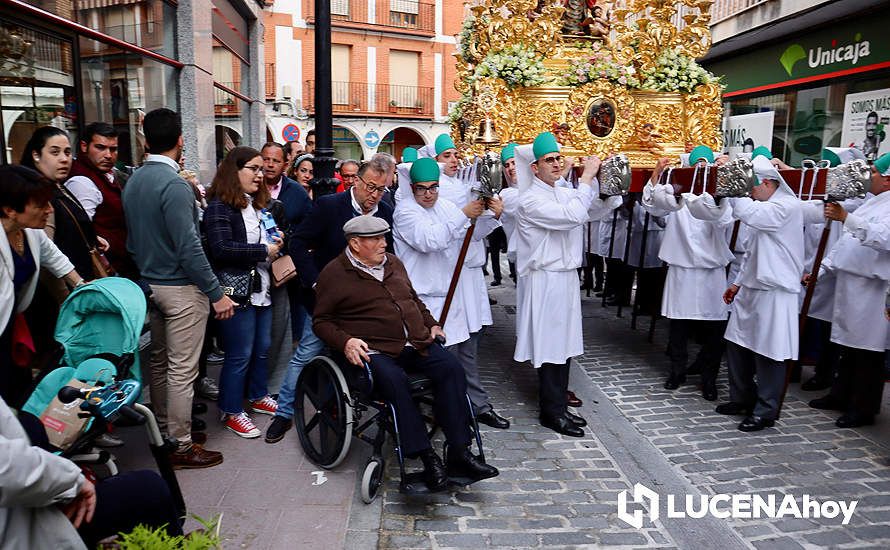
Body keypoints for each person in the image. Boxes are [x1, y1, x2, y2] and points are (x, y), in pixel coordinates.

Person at [313, 216, 499, 491]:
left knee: (451, 368)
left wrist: (431, 324)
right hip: (374, 350)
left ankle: (460, 451)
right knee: (395, 382)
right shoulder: (335, 273)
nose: (383, 243)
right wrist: (347, 342)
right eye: (375, 239)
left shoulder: (393, 263)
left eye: (383, 237)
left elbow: (413, 299)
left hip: (414, 342)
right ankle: (426, 457)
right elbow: (321, 322)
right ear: (354, 244)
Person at [123, 108, 233, 468]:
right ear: (181, 140)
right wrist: (216, 292)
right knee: (182, 371)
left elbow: (134, 241)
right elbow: (189, 247)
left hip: (150, 284)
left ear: (144, 139)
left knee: (158, 363)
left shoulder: (135, 180)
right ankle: (181, 446)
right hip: (180, 288)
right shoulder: (174, 184)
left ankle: (166, 433)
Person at [265, 155, 395, 443]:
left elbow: (390, 255)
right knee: (307, 353)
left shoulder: (385, 210)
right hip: (325, 301)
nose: (374, 195)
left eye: (381, 189)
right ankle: (284, 414)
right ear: (357, 180)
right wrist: (314, 282)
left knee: (363, 356)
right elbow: (298, 243)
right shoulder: (329, 206)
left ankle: (345, 409)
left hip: (363, 305)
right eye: (370, 187)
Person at [513, 132, 620, 436]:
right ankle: (551, 411)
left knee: (564, 345)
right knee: (550, 346)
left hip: (564, 276)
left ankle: (559, 403)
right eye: (550, 160)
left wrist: (605, 185)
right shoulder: (530, 199)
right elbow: (573, 215)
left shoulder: (560, 191)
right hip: (545, 278)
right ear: (535, 167)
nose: (557, 163)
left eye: (559, 158)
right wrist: (586, 177)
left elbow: (591, 210)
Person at [393, 158, 510, 430]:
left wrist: (491, 215)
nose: (428, 193)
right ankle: (438, 418)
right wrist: (464, 214)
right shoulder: (405, 212)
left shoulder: (444, 206)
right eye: (422, 188)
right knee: (435, 366)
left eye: (433, 187)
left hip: (451, 296)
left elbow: (470, 234)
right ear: (412, 188)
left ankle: (466, 411)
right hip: (423, 303)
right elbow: (429, 240)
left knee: (459, 360)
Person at [0, 395, 183, 549]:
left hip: (25, 499)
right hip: (21, 522)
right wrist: (72, 481)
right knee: (148, 488)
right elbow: (7, 467)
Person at [715, 155, 804, 432]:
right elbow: (752, 253)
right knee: (737, 345)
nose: (751, 192)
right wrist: (738, 283)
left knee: (769, 353)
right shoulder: (767, 205)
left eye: (752, 186)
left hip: (775, 292)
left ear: (767, 182)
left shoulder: (786, 207)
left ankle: (766, 410)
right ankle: (741, 398)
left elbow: (749, 213)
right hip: (752, 288)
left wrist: (733, 185)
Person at [204, 146, 283, 437]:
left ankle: (258, 395)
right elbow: (221, 248)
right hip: (235, 291)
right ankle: (231, 409)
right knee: (239, 354)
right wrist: (263, 249)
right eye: (254, 168)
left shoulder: (256, 204)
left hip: (261, 288)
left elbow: (265, 237)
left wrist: (276, 240)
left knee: (262, 349)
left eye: (262, 169)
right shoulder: (219, 206)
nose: (260, 175)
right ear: (233, 171)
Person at [807, 152, 890, 427]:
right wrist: (820, 271)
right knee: (847, 346)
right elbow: (845, 244)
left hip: (872, 288)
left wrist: (846, 218)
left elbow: (881, 238)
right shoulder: (872, 202)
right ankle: (841, 394)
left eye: (875, 173)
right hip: (851, 283)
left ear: (888, 180)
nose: (871, 177)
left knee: (867, 352)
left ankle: (863, 407)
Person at [642, 157, 734, 401]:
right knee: (678, 326)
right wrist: (657, 173)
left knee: (714, 327)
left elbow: (724, 219)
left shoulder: (718, 195)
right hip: (681, 269)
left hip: (711, 271)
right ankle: (676, 371)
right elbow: (653, 206)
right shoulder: (676, 195)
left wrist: (718, 190)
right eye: (696, 169)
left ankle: (709, 377)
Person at [1, 166, 82, 406]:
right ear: (10, 210)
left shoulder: (29, 232)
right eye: (41, 205)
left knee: (20, 393)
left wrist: (82, 286)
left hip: (12, 325)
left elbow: (54, 257)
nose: (49, 210)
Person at [260, 142, 312, 386]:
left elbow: (307, 230)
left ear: (285, 164)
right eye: (266, 159)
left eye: (275, 161)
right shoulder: (249, 185)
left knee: (284, 328)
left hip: (284, 271)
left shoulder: (296, 193)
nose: (270, 165)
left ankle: (278, 382)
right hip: (253, 269)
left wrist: (286, 240)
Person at [64, 122, 138, 279]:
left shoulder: (106, 174)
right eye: (100, 147)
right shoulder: (81, 182)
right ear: (84, 146)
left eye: (113, 149)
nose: (108, 155)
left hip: (123, 268)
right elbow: (81, 234)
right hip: (108, 273)